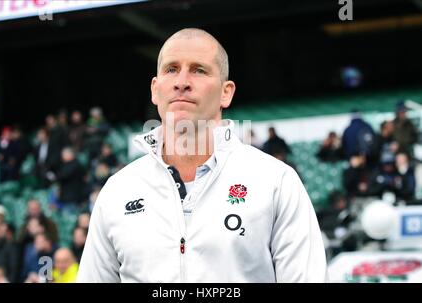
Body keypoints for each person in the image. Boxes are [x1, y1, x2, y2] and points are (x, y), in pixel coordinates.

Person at [77, 28, 327, 283]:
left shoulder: (276, 182)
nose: (182, 82)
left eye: (199, 70)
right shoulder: (118, 190)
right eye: (171, 69)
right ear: (155, 89)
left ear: (225, 92)